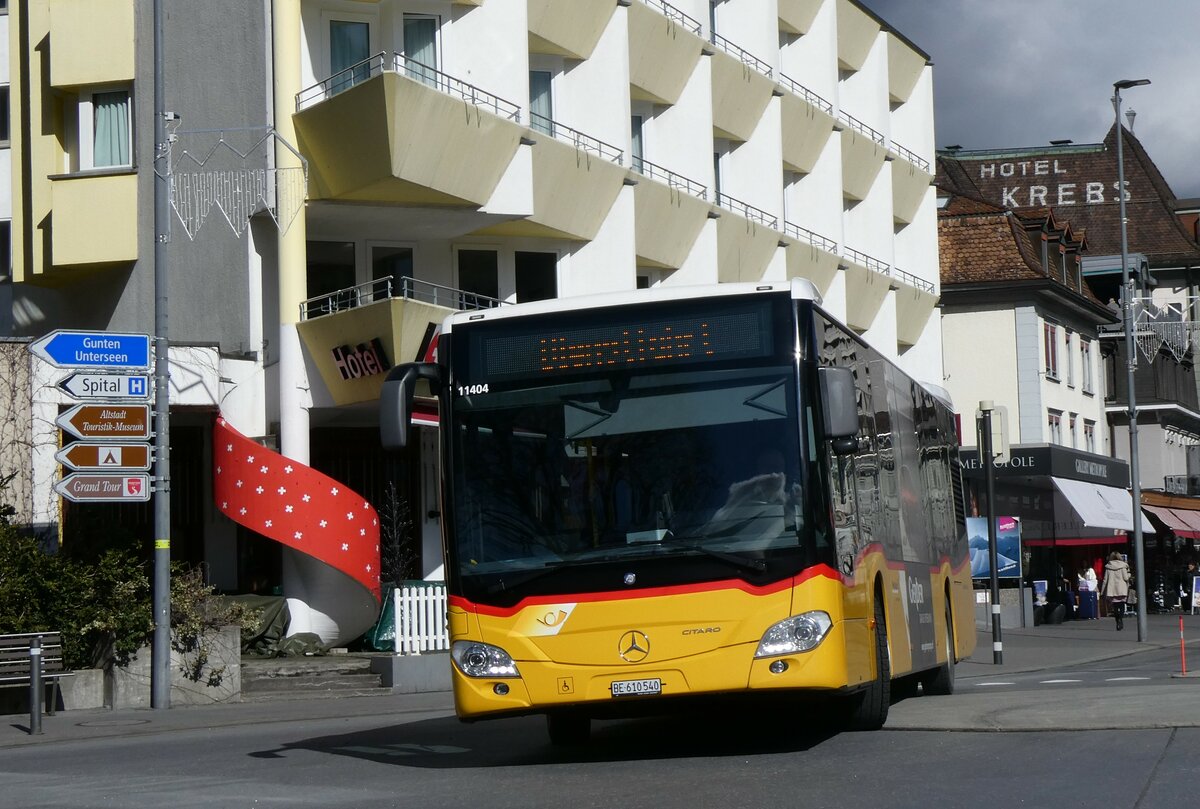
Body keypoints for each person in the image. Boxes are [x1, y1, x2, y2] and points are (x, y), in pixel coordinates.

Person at [1100, 551, 1132, 631]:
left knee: (1115, 607)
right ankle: (1120, 619)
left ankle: (1117, 620)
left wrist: (1102, 591)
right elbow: (1125, 578)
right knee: (1121, 606)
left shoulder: (1108, 566)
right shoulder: (1123, 566)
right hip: (1122, 589)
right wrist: (1129, 574)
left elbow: (1105, 580)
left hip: (1112, 590)